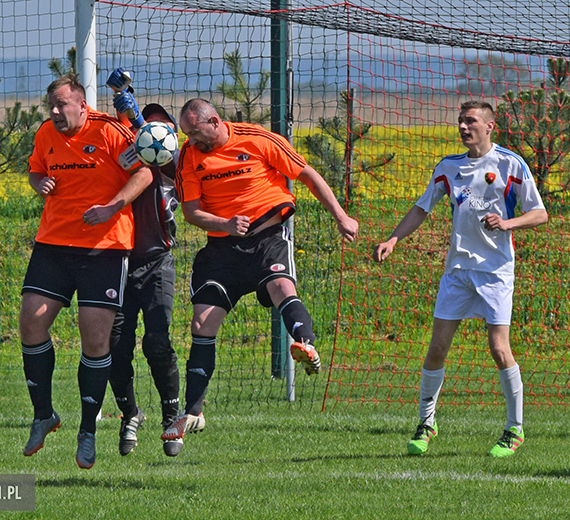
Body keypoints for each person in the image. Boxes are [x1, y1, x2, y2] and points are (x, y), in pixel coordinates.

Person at [161, 98, 358, 444]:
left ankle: (306, 346)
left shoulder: (258, 139)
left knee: (282, 287)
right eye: (186, 135)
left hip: (268, 238)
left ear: (215, 120)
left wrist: (341, 216)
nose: (191, 141)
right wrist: (225, 222)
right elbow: (191, 212)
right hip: (223, 248)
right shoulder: (190, 159)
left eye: (195, 133)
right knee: (201, 322)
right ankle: (192, 412)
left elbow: (307, 174)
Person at [372, 100, 548, 458]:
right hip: (457, 272)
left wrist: (508, 223)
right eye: (460, 122)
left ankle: (514, 430)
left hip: (496, 272)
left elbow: (540, 214)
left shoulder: (510, 164)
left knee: (499, 349)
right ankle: (426, 423)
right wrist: (393, 238)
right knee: (437, 348)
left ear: (489, 126)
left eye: (471, 121)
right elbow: (422, 207)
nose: (464, 127)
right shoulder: (448, 168)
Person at [20, 73, 151, 470]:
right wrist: (38, 180)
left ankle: (88, 430)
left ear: (82, 104)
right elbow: (34, 170)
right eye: (52, 107)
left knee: (94, 340)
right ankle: (44, 414)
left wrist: (112, 206)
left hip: (104, 249)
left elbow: (144, 172)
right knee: (31, 323)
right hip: (53, 245)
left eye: (62, 105)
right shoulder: (46, 134)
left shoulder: (111, 131)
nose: (56, 113)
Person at [104, 70, 184, 458]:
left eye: (160, 125)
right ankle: (129, 413)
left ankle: (172, 415)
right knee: (115, 345)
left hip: (157, 263)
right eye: (146, 124)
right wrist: (124, 103)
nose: (153, 131)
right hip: (116, 261)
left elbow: (162, 154)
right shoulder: (128, 154)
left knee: (157, 340)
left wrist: (137, 117)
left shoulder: (176, 164)